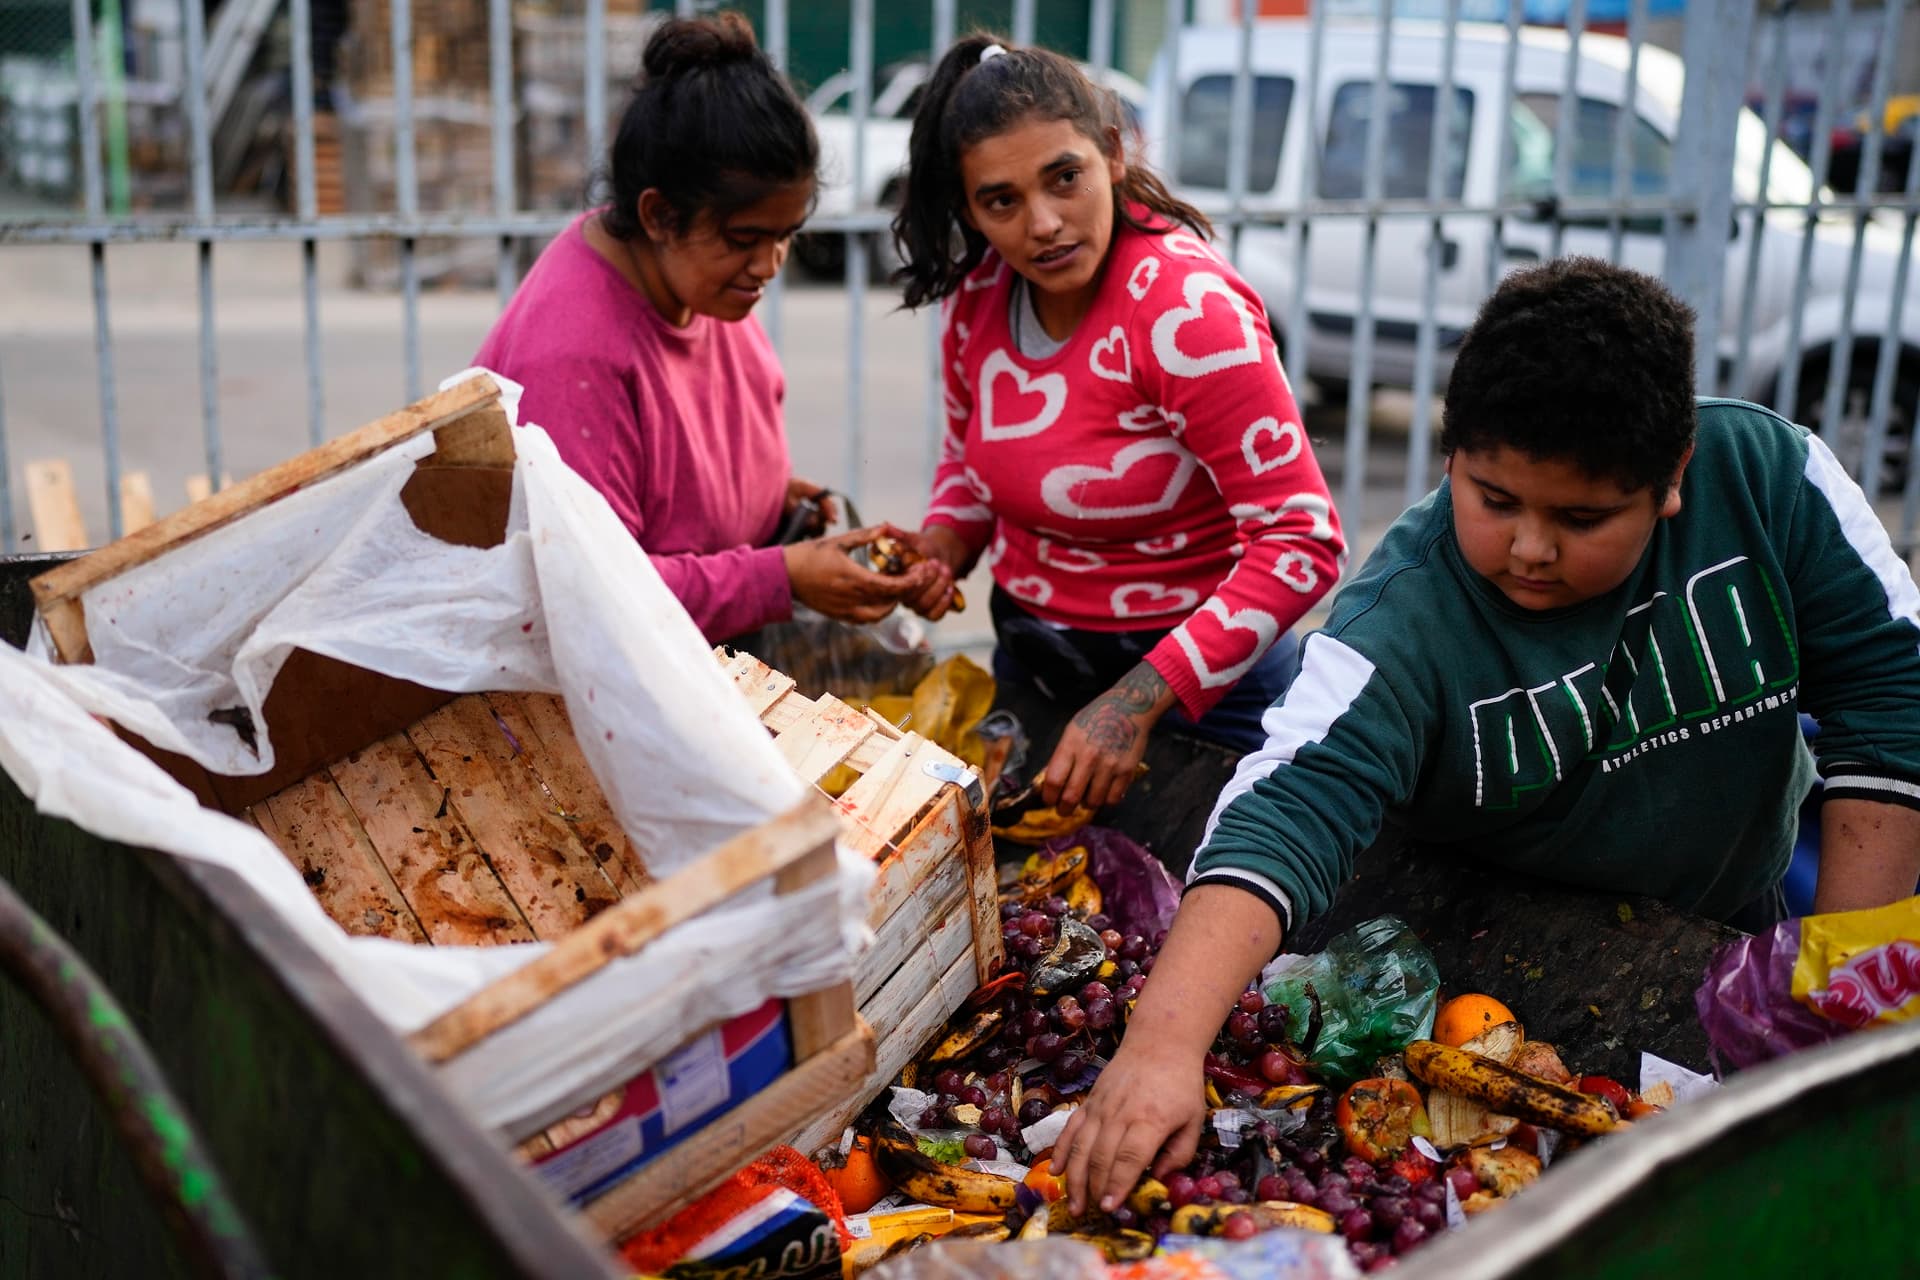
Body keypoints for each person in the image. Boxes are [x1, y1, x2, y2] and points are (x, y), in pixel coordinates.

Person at [1056, 256, 1920, 1215]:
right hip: (1486, 978)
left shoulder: (1770, 477)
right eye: (1495, 500)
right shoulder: (1402, 618)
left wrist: (1837, 996)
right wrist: (1162, 1047)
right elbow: (1290, 805)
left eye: (1582, 518)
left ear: (1672, 477)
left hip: (1728, 917)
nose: (1531, 549)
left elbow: (1893, 691)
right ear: (1450, 457)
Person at [886, 35, 1345, 813]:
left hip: (1210, 708)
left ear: (1113, 151)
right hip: (1034, 673)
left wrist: (1136, 702)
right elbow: (969, 460)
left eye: (1064, 178)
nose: (1043, 224)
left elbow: (1302, 541)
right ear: (970, 210)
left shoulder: (1186, 314)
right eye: (1001, 201)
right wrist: (941, 547)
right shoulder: (980, 298)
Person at [474, 14, 934, 644]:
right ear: (659, 216)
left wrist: (771, 505)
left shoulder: (696, 283)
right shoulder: (572, 355)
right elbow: (591, 597)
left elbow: (679, 462)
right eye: (745, 239)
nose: (770, 264)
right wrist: (780, 577)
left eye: (786, 236)